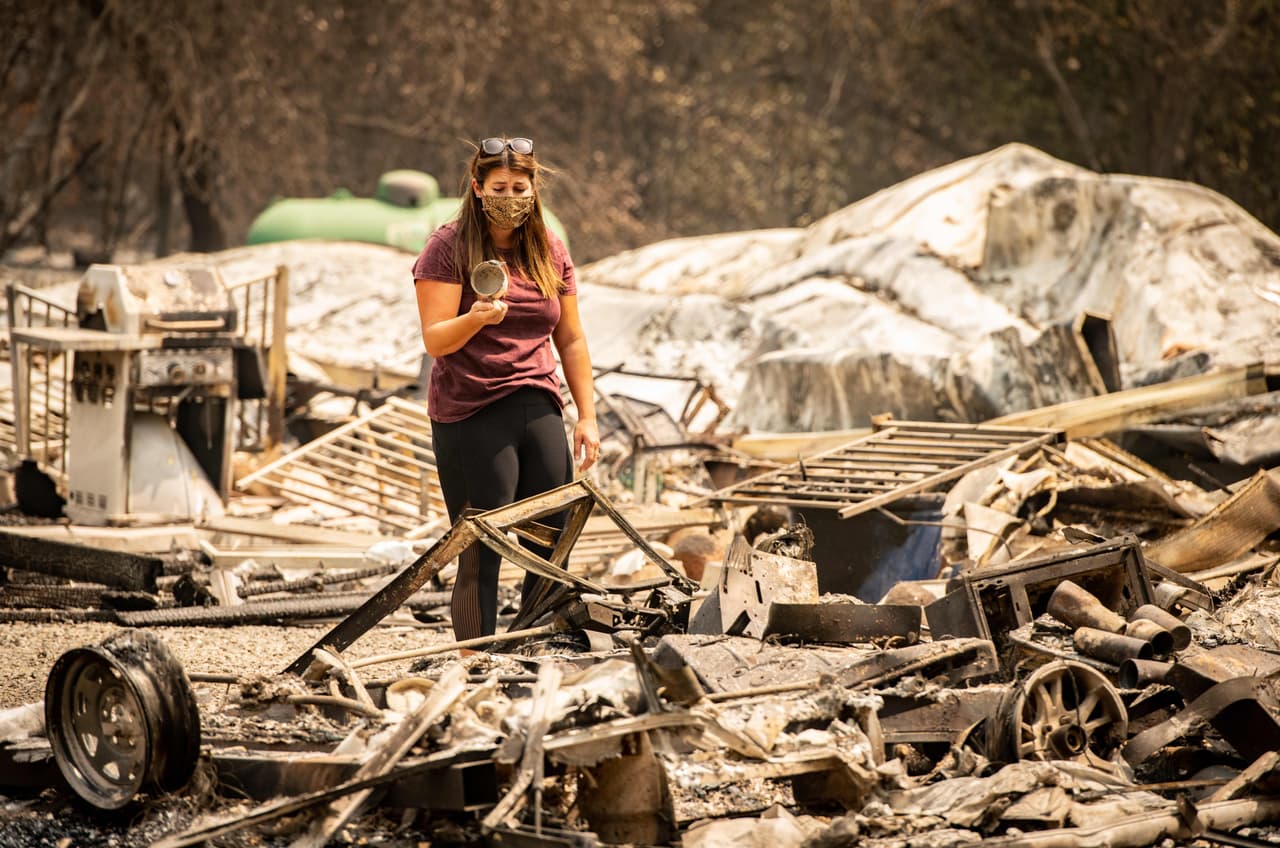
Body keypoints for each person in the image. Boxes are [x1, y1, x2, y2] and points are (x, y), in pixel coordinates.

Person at [412, 136, 600, 642]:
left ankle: (540, 644)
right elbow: (435, 340)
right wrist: (473, 318)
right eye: (499, 186)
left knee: (551, 536)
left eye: (521, 186)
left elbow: (572, 337)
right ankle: (476, 659)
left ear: (534, 189)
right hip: (472, 410)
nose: (511, 196)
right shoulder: (448, 247)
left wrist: (587, 415)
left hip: (536, 400)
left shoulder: (547, 248)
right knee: (482, 542)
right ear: (477, 188)